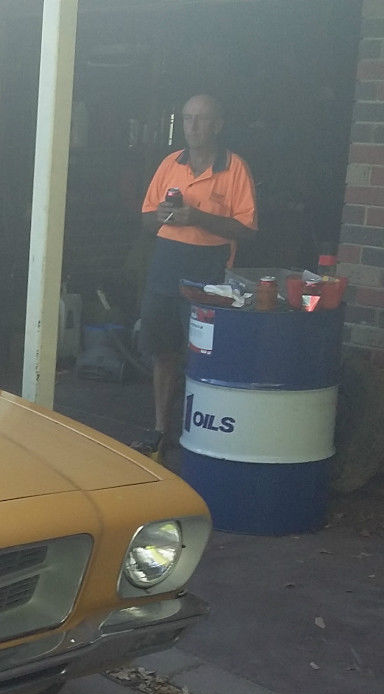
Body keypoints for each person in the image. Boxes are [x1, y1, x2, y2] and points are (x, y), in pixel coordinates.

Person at [133, 94, 257, 458]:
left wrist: (198, 217)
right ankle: (160, 430)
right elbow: (144, 220)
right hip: (166, 267)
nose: (193, 126)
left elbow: (248, 230)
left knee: (206, 356)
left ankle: (202, 434)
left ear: (218, 125)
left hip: (211, 272)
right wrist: (165, 215)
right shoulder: (171, 163)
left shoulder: (235, 168)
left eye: (202, 119)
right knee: (163, 352)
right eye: (187, 118)